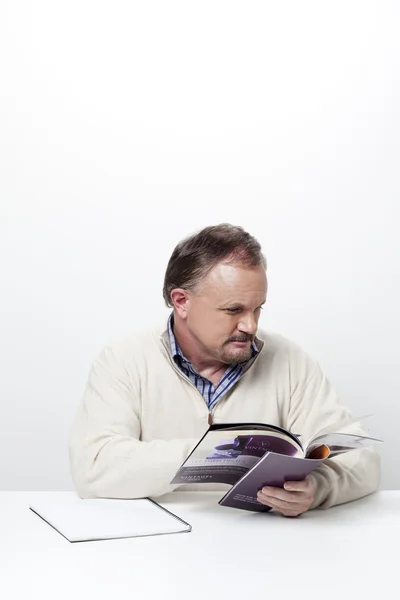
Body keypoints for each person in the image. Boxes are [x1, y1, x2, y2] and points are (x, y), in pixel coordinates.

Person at [69, 224, 380, 517]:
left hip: (266, 551)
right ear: (181, 302)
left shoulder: (289, 361)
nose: (251, 325)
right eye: (234, 310)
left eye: (258, 308)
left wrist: (318, 487)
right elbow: (93, 468)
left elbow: (363, 460)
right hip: (158, 548)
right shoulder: (123, 360)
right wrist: (212, 454)